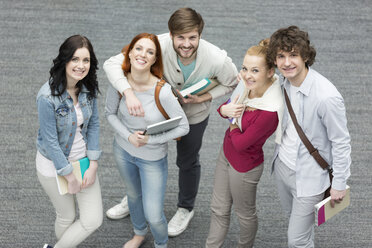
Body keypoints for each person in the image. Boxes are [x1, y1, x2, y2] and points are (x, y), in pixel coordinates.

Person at [103, 7, 238, 236]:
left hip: (193, 116)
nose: (186, 44)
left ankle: (186, 208)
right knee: (140, 152)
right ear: (171, 35)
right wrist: (128, 92)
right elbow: (111, 64)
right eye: (180, 38)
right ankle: (135, 197)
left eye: (192, 38)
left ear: (200, 35)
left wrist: (204, 97)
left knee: (187, 161)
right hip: (154, 112)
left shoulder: (216, 58)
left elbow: (232, 82)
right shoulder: (156, 44)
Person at [267, 26, 351, 248]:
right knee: (296, 224)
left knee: (297, 240)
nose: (287, 63)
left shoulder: (326, 97)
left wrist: (340, 183)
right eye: (281, 56)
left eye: (293, 55)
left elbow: (341, 143)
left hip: (310, 176)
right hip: (283, 167)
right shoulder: (283, 82)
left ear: (305, 55)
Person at [105, 33, 189, 248]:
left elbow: (183, 126)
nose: (143, 55)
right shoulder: (119, 83)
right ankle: (139, 233)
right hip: (123, 151)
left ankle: (161, 244)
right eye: (139, 49)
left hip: (152, 158)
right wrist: (129, 136)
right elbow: (110, 114)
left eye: (150, 52)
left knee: (154, 214)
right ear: (130, 53)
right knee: (133, 196)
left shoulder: (163, 91)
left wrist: (150, 140)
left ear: (154, 60)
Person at [205, 39, 284, 248]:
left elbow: (241, 143)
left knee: (245, 214)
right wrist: (224, 111)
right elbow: (227, 106)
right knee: (218, 208)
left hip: (245, 167)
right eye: (245, 68)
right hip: (226, 155)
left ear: (270, 72)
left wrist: (231, 122)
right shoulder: (247, 84)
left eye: (255, 70)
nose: (247, 75)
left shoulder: (270, 111)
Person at [36, 35, 102, 248]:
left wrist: (93, 163)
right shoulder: (47, 97)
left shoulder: (88, 88)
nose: (81, 66)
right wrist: (68, 175)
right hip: (54, 165)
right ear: (64, 60)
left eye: (86, 60)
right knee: (67, 216)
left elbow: (93, 126)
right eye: (75, 59)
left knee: (93, 219)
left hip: (82, 162)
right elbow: (51, 141)